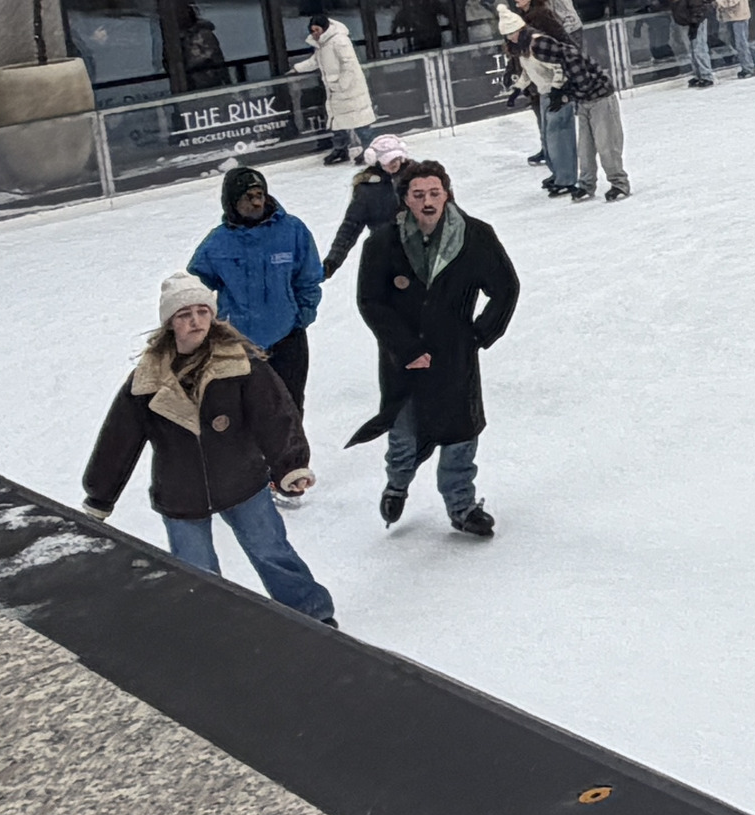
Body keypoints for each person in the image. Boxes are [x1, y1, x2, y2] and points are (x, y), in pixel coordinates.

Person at [82, 276, 335, 626]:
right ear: (170, 323)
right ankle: (211, 627)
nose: (196, 321)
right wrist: (100, 495)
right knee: (197, 573)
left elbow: (275, 416)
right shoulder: (146, 380)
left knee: (272, 552)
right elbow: (118, 440)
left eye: (203, 312)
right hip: (181, 493)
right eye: (185, 314)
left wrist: (291, 465)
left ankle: (313, 613)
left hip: (243, 482)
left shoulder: (239, 364)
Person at [347, 160, 518, 537]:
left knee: (461, 432)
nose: (427, 201)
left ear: (447, 195)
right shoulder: (383, 243)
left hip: (454, 355)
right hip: (403, 360)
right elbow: (371, 301)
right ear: (405, 199)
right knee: (404, 433)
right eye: (419, 194)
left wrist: (480, 335)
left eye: (434, 193)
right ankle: (397, 485)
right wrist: (406, 348)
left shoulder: (475, 236)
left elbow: (505, 288)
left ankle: (462, 506)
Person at [184, 165, 323, 425]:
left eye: (260, 194)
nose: (257, 202)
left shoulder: (292, 230)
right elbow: (194, 289)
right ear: (232, 203)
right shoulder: (217, 243)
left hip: (287, 341)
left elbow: (309, 277)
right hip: (239, 346)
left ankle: (289, 453)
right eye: (248, 197)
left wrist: (302, 316)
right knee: (246, 416)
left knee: (289, 411)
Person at [521, 0, 628, 202]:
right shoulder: (558, 61)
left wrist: (564, 95)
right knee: (585, 148)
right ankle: (586, 184)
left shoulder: (570, 57)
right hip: (584, 103)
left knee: (606, 145)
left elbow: (584, 85)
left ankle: (619, 183)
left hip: (600, 99)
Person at [504, 0, 576, 191]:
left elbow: (559, 66)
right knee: (548, 137)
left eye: (511, 33)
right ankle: (557, 174)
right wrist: (517, 90)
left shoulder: (539, 43)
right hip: (545, 93)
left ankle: (566, 179)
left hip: (558, 93)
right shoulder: (522, 47)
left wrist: (557, 90)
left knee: (559, 137)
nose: (509, 38)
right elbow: (528, 72)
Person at [321, 132, 414, 280]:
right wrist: (333, 261)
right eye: (388, 160)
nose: (394, 163)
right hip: (386, 254)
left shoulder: (419, 180)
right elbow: (351, 226)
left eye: (396, 158)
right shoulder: (367, 190)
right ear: (375, 161)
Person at [296, 12, 378, 163]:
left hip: (350, 89)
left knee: (360, 121)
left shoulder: (339, 41)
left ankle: (369, 150)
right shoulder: (322, 44)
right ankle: (341, 149)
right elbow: (316, 61)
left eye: (317, 30)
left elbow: (349, 64)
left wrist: (342, 85)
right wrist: (297, 68)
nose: (314, 34)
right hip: (336, 91)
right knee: (338, 122)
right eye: (312, 31)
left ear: (324, 28)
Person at [663, 0, 717, 87]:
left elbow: (698, 8)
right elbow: (666, 2)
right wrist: (651, 7)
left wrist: (694, 25)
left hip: (697, 22)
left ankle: (706, 75)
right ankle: (698, 75)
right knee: (691, 50)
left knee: (699, 48)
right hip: (686, 23)